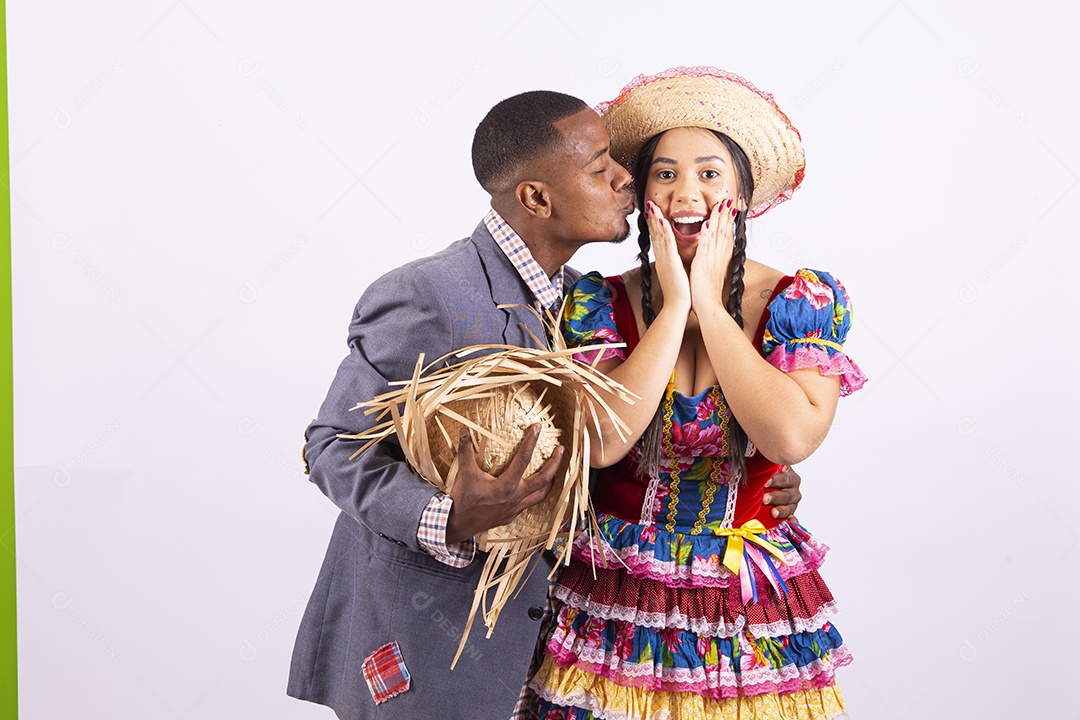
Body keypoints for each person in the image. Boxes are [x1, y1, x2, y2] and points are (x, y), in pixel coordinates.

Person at [287, 89, 804, 720]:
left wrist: (740, 474)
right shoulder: (428, 294)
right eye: (601, 166)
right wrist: (446, 517)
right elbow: (332, 445)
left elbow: (600, 435)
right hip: (433, 643)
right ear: (536, 197)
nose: (626, 178)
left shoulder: (587, 303)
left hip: (561, 639)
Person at [528, 68, 867, 719]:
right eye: (665, 173)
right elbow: (602, 441)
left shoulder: (801, 301)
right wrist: (673, 304)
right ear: (645, 194)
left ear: (741, 194)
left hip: (745, 603)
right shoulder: (596, 302)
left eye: (710, 173)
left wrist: (710, 308)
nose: (687, 191)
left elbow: (791, 437)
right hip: (614, 598)